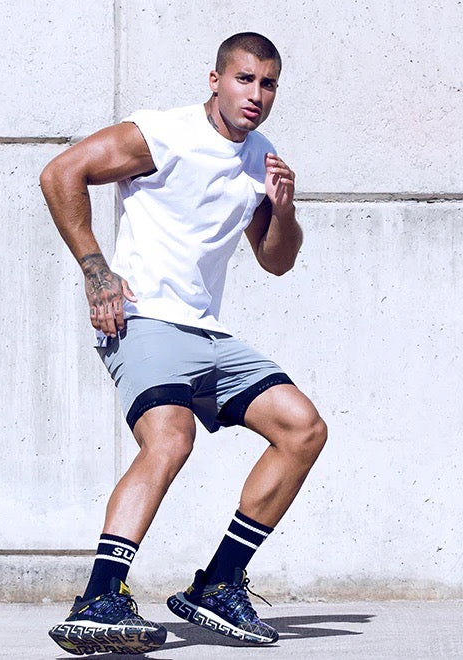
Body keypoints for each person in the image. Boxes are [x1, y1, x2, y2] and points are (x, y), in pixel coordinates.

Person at [40, 32, 327, 656]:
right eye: (245, 79)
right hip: (143, 319)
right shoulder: (162, 134)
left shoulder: (261, 157)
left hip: (207, 331)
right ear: (215, 80)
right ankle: (99, 598)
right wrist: (96, 269)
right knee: (171, 437)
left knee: (302, 429)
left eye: (269, 84)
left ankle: (218, 585)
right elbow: (62, 172)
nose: (256, 95)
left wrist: (284, 210)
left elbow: (276, 261)